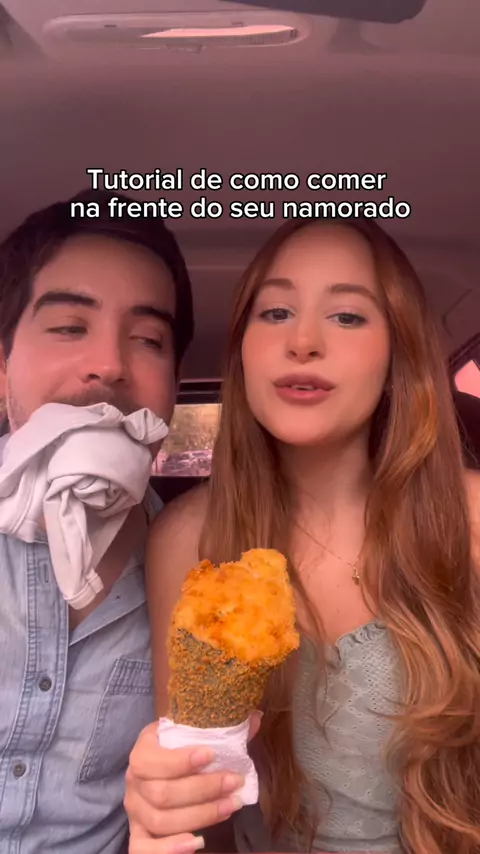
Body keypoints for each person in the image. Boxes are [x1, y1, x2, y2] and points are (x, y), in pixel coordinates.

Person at [125, 219, 480, 854]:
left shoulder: (471, 517)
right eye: (276, 312)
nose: (304, 342)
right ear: (243, 350)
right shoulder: (188, 539)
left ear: (397, 355)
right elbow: (198, 799)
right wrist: (163, 813)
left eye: (347, 316)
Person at [0, 188, 194, 853]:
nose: (109, 364)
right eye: (68, 327)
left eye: (148, 340)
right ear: (3, 365)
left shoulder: (199, 574)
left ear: (173, 387)